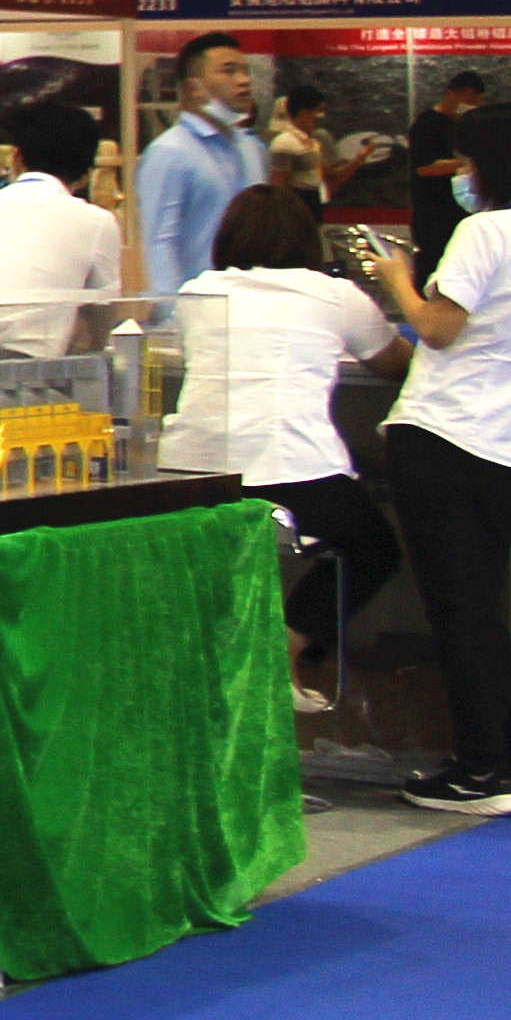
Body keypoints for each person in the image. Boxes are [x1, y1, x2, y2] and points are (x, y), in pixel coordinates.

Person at [354, 103, 511, 815]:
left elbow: (437, 328)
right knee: (482, 613)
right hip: (506, 449)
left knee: (459, 615)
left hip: (442, 435)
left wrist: (396, 277)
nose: (461, 173)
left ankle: (480, 770)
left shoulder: (484, 232)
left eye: (467, 161)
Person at [172, 183, 406, 713]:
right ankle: (288, 644)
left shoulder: (196, 293)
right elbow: (394, 363)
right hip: (290, 471)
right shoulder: (336, 297)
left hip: (194, 473)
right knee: (373, 548)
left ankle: (233, 670)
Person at [0, 98, 124, 353]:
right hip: (37, 370)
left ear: (16, 158)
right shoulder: (96, 222)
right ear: (86, 174)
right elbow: (103, 314)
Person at [134, 34, 267, 294]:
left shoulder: (252, 149)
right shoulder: (170, 152)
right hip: (200, 304)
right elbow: (158, 244)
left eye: (245, 71)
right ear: (195, 88)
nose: (244, 80)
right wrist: (172, 311)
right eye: (229, 71)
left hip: (254, 301)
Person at [404, 70, 488, 229]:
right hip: (435, 212)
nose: (472, 106)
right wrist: (468, 163)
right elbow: (424, 168)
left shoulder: (464, 124)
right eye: (468, 100)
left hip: (463, 210)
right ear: (451, 94)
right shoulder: (427, 124)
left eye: (476, 102)